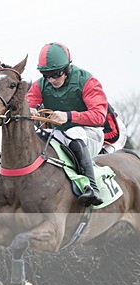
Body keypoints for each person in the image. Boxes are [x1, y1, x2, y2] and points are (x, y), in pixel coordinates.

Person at [27, 42, 107, 207]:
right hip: (61, 134)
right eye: (46, 75)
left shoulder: (88, 81)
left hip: (90, 134)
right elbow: (27, 102)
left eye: (56, 74)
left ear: (66, 68)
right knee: (40, 138)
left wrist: (69, 116)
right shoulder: (40, 85)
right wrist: (30, 110)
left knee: (73, 133)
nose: (51, 79)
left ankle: (92, 188)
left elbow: (99, 116)